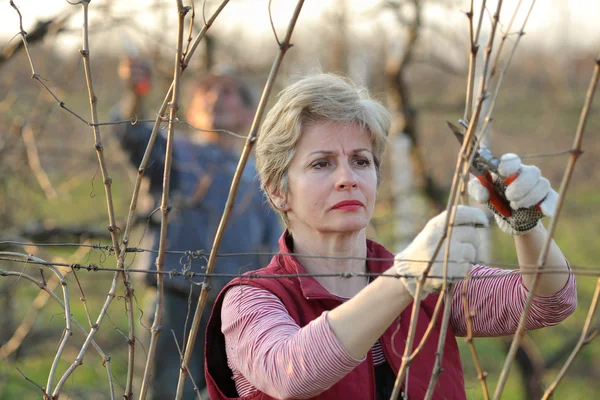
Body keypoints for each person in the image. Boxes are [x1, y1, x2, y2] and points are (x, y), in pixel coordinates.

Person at [204, 74, 577, 400]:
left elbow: (549, 301)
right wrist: (405, 278)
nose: (347, 177)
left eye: (361, 161)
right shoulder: (250, 300)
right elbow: (292, 372)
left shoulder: (430, 280)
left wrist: (527, 226)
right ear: (277, 191)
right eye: (322, 163)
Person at [114, 59, 282, 399]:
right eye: (205, 90)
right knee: (169, 389)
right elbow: (130, 136)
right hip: (177, 297)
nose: (215, 97)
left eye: (228, 91)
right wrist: (135, 93)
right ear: (190, 111)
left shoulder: (259, 174)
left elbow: (272, 244)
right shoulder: (173, 153)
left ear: (249, 114)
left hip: (236, 304)